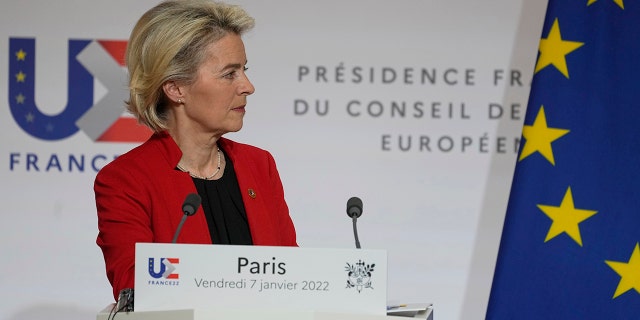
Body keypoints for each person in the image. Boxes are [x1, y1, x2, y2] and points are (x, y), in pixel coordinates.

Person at [94, 0, 297, 301]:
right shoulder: (125, 180)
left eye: (244, 70)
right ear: (175, 88)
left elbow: (293, 274)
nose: (248, 86)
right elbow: (134, 286)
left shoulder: (259, 165)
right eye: (230, 74)